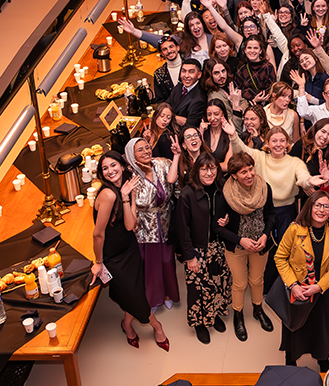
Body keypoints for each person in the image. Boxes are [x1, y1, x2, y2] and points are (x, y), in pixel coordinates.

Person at [91, 151, 169, 350]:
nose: (110, 171)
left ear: (122, 165)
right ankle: (157, 326)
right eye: (105, 168)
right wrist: (98, 263)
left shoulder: (125, 187)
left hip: (129, 248)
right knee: (136, 296)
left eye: (113, 165)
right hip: (114, 257)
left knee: (135, 292)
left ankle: (126, 324)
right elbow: (98, 234)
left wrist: (128, 196)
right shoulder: (108, 194)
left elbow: (130, 224)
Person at [274, 191, 329, 372]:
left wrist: (319, 287)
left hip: (322, 288)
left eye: (326, 206)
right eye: (317, 205)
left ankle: (322, 358)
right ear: (309, 207)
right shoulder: (295, 229)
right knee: (295, 326)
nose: (322, 210)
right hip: (298, 288)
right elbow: (280, 258)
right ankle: (291, 360)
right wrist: (293, 286)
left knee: (321, 326)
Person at [214, 151, 276, 341]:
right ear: (234, 175)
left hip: (260, 244)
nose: (249, 175)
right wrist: (240, 240)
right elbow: (217, 227)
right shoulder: (225, 194)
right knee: (240, 283)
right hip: (237, 246)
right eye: (243, 172)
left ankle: (258, 310)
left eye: (251, 169)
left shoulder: (264, 187)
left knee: (257, 280)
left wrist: (265, 235)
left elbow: (271, 214)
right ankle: (238, 316)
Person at [172, 152, 232, 344]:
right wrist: (190, 256)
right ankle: (199, 323)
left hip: (217, 246)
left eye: (212, 168)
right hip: (197, 249)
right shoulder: (187, 194)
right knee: (198, 288)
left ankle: (214, 314)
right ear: (196, 171)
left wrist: (226, 219)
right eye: (204, 169)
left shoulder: (221, 187)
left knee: (217, 283)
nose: (209, 173)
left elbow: (226, 211)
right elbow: (182, 228)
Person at [124, 137, 182, 320]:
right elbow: (142, 202)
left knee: (167, 261)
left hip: (166, 221)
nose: (146, 152)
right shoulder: (130, 176)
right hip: (145, 227)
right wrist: (147, 174)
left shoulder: (162, 163)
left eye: (147, 147)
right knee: (150, 265)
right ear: (131, 155)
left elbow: (174, 184)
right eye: (139, 150)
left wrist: (176, 156)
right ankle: (153, 298)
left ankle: (168, 294)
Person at [167, 59, 207, 128]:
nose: (186, 75)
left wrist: (168, 116)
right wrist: (175, 118)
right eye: (183, 71)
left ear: (199, 75)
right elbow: (165, 106)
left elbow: (189, 126)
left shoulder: (199, 100)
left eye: (191, 72)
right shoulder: (179, 86)